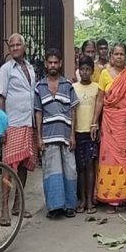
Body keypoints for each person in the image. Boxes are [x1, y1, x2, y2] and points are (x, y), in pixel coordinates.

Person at [92, 43, 126, 213]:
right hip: (110, 123)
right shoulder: (105, 74)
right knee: (111, 159)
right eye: (116, 54)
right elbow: (100, 99)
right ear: (111, 56)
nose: (119, 57)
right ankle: (111, 200)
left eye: (122, 54)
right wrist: (94, 122)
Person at [35, 49, 79, 218]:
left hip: (66, 135)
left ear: (60, 64)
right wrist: (38, 138)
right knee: (52, 172)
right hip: (48, 135)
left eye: (56, 62)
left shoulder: (67, 85)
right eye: (50, 62)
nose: (53, 65)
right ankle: (54, 207)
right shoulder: (39, 87)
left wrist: (73, 135)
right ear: (46, 64)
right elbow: (38, 112)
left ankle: (69, 206)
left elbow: (73, 111)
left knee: (70, 170)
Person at [0, 33, 37, 223]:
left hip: (28, 123)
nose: (14, 48)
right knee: (8, 167)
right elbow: (1, 97)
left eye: (17, 45)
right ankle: (4, 208)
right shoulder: (6, 69)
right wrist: (2, 125)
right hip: (12, 123)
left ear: (24, 47)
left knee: (23, 165)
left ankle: (17, 206)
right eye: (11, 45)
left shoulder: (30, 68)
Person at [73, 55, 99, 214]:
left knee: (90, 167)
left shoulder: (97, 87)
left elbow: (100, 111)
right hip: (77, 132)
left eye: (87, 69)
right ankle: (82, 199)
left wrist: (99, 128)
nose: (84, 72)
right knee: (80, 168)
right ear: (78, 70)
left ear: (92, 71)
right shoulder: (73, 87)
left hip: (91, 133)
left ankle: (90, 199)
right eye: (82, 69)